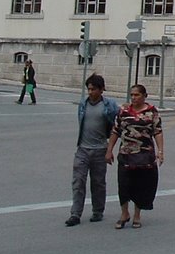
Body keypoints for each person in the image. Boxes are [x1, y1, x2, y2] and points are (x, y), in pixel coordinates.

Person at [106, 84, 164, 229]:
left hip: (144, 155)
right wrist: (109, 150)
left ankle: (137, 215)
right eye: (132, 95)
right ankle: (124, 213)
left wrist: (160, 151)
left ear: (145, 96)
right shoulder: (123, 111)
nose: (133, 98)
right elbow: (115, 131)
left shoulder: (152, 112)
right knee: (124, 185)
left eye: (137, 95)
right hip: (126, 155)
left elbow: (157, 131)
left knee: (140, 186)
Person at [66, 74, 120, 226]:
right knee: (78, 181)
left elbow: (119, 124)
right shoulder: (83, 104)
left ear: (102, 90)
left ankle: (98, 211)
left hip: (100, 149)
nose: (90, 92)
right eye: (89, 89)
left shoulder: (109, 105)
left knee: (98, 183)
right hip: (82, 149)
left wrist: (110, 150)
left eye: (94, 89)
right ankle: (75, 214)